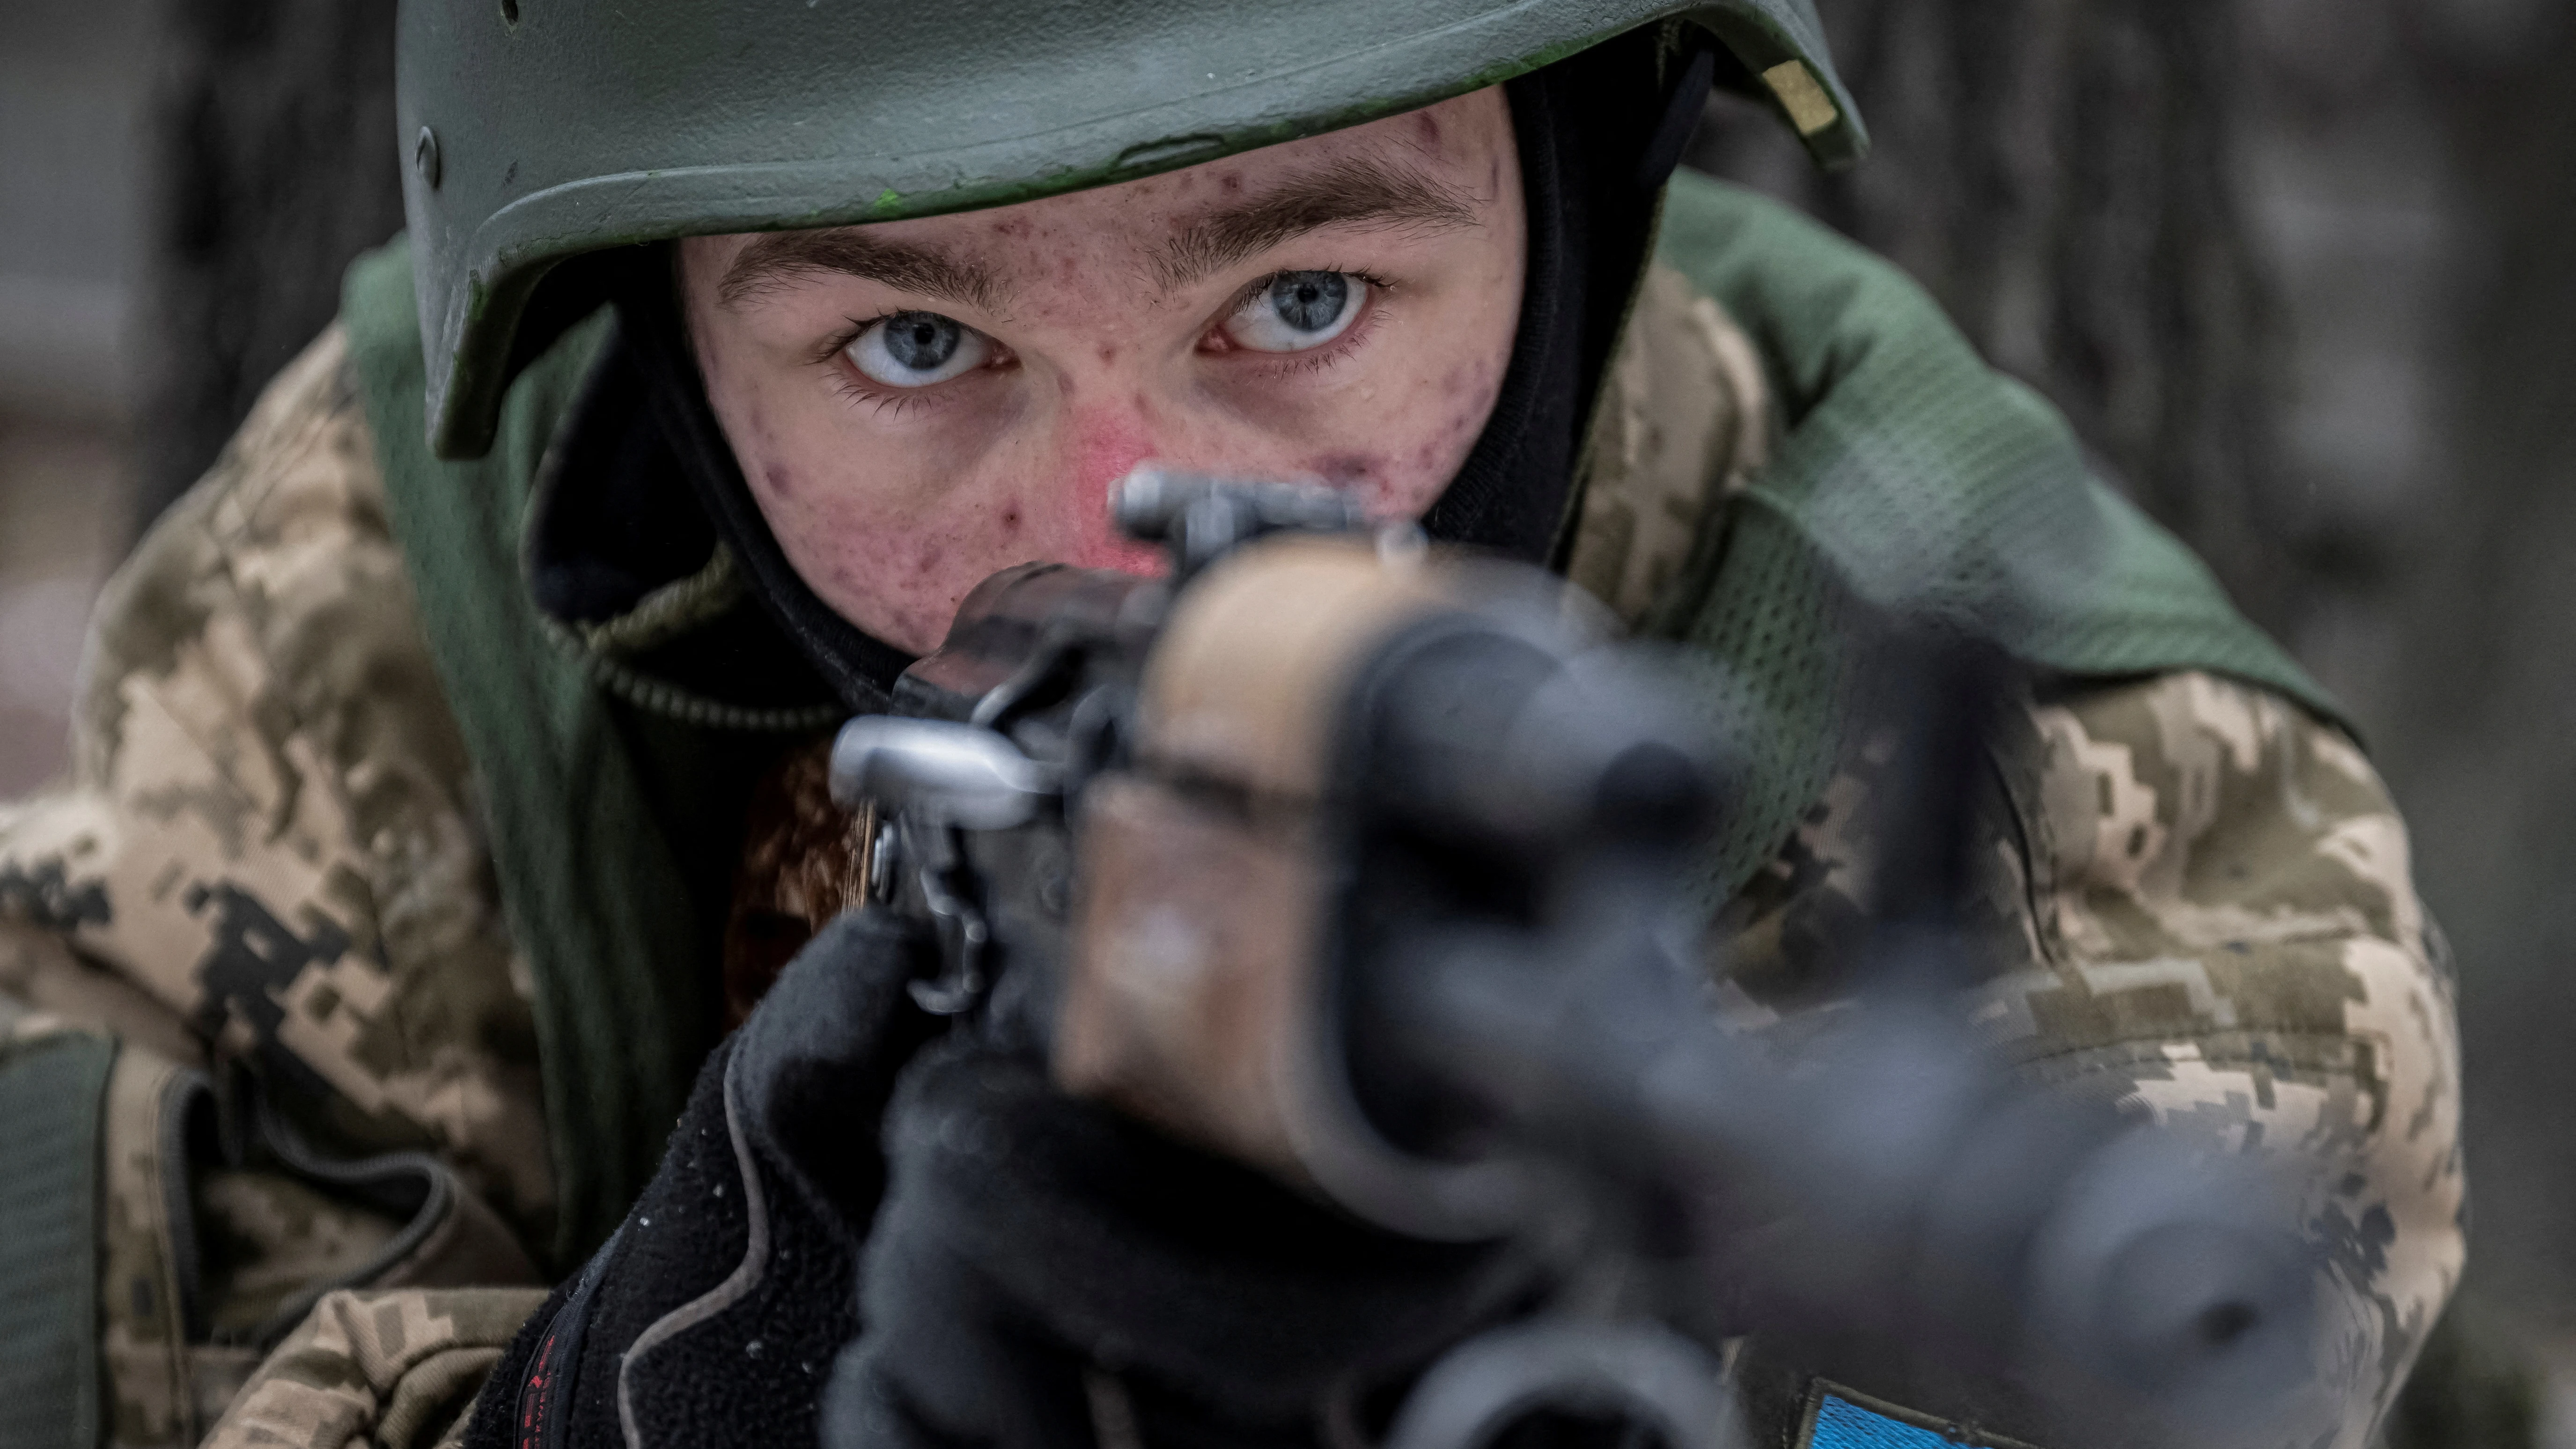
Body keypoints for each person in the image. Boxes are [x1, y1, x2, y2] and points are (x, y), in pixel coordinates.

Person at [0, 3, 2458, 1446]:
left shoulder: (2104, 809)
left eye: (1296, 301)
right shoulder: (414, 561)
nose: (1115, 510)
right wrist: (681, 1373)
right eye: (910, 347)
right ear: (661, 338)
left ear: (1574, 207)